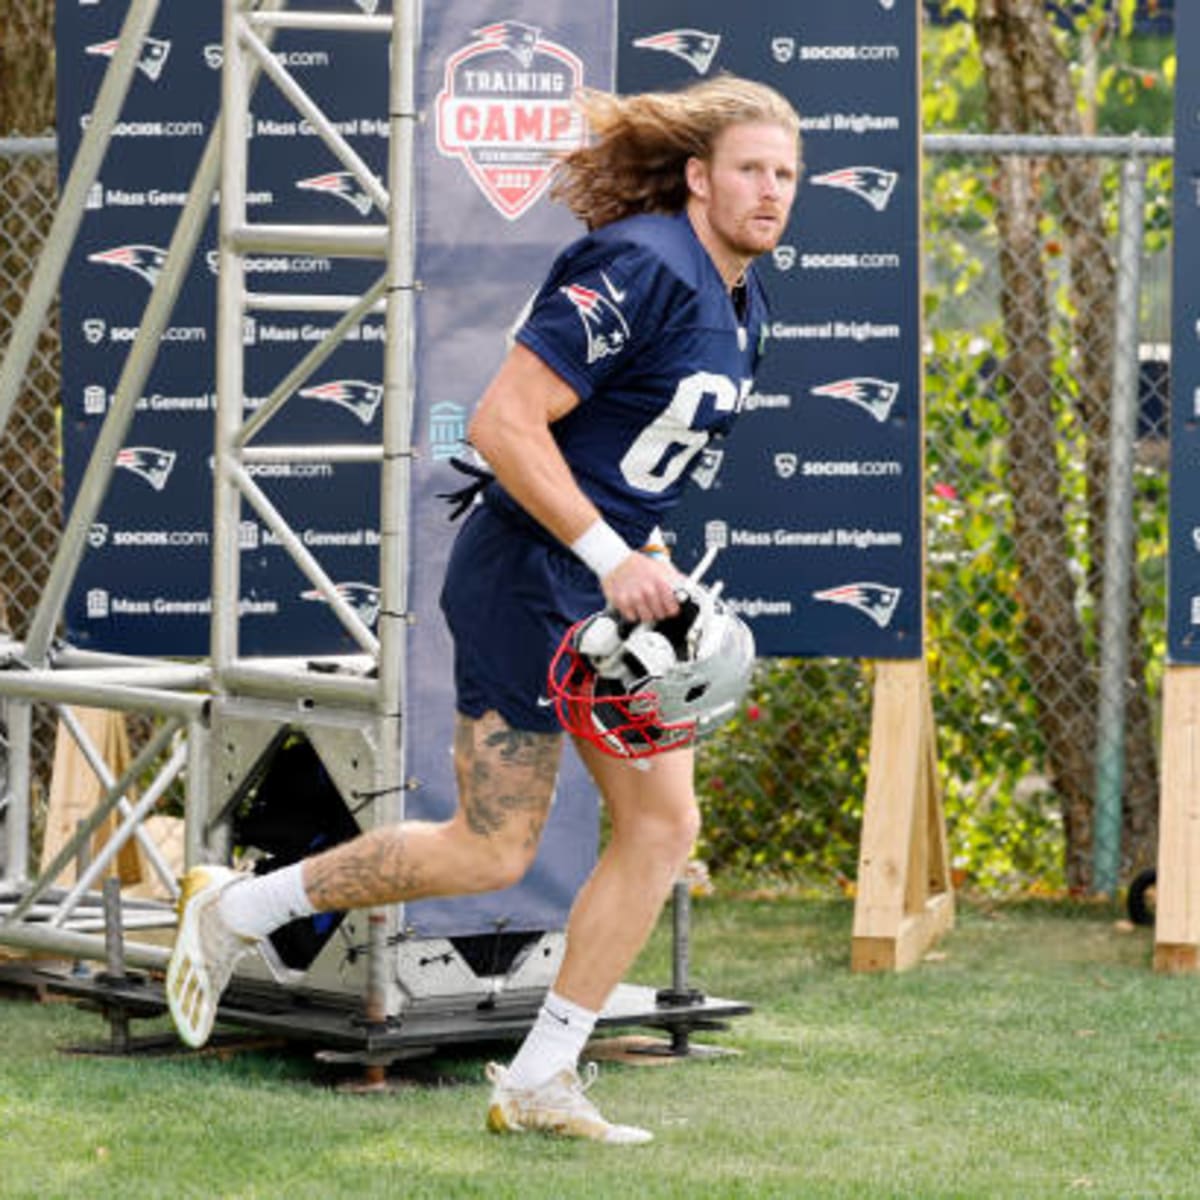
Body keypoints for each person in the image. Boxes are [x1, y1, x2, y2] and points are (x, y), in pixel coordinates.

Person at [167, 73, 801, 1145]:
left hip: (599, 580)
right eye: (749, 168)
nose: (770, 191)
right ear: (698, 177)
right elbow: (509, 424)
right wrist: (608, 554)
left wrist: (651, 560)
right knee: (492, 849)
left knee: (661, 825)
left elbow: (623, 457)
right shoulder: (642, 262)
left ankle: (541, 1076)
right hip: (528, 575)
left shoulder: (746, 299)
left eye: (786, 174)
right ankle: (238, 910)